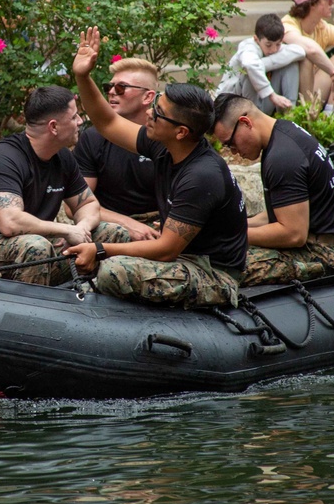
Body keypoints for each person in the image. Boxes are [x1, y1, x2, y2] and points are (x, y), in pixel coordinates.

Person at [68, 27, 248, 309]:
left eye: (159, 113)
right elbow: (108, 123)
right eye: (154, 105)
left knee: (114, 271)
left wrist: (101, 251)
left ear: (181, 132)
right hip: (184, 256)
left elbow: (165, 250)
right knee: (92, 234)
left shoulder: (202, 175)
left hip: (212, 272)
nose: (149, 114)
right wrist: (82, 76)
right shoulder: (165, 146)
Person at [0, 85, 129, 286]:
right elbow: (9, 223)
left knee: (113, 233)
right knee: (35, 246)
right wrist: (64, 230)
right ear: (53, 127)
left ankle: (91, 304)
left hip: (41, 244)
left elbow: (88, 204)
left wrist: (81, 228)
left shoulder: (62, 156)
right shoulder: (4, 158)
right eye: (74, 117)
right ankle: (29, 312)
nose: (80, 121)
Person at [212, 93, 334, 286]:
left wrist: (229, 236)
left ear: (245, 122)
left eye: (231, 143)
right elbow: (280, 212)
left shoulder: (282, 157)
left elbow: (293, 234)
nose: (233, 152)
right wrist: (234, 226)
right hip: (312, 242)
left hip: (319, 253)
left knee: (219, 269)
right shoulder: (284, 132)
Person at [73, 57, 160, 241]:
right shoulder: (93, 138)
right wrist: (127, 224)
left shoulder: (165, 137)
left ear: (148, 97)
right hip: (110, 227)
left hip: (160, 226)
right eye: (108, 87)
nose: (112, 92)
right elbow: (75, 204)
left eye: (121, 87)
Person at [217, 13, 305, 116]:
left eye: (278, 44)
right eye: (268, 45)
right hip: (233, 106)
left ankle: (290, 113)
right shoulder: (248, 46)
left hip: (262, 104)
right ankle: (251, 117)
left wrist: (263, 64)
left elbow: (299, 52)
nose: (273, 50)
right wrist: (272, 95)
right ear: (256, 39)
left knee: (290, 63)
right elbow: (249, 64)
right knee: (248, 71)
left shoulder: (274, 50)